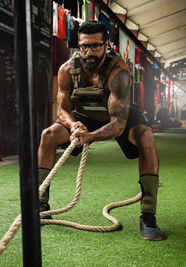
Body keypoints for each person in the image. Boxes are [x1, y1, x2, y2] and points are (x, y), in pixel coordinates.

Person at [37, 21, 165, 241]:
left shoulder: (119, 73)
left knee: (146, 136)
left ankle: (148, 216)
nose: (89, 52)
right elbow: (63, 110)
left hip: (117, 115)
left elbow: (118, 125)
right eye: (84, 46)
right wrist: (73, 125)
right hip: (84, 116)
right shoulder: (67, 69)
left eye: (96, 46)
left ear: (106, 45)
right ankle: (40, 204)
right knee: (48, 135)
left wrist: (91, 137)